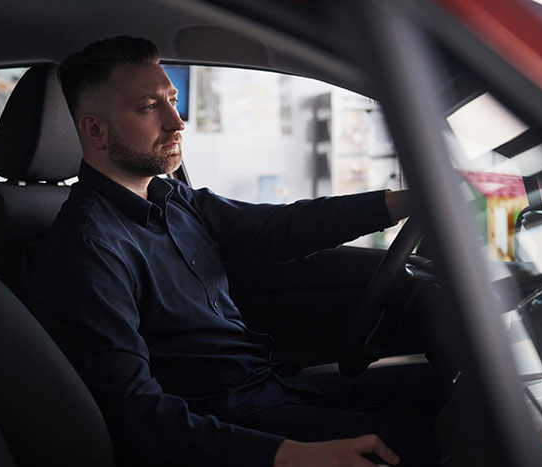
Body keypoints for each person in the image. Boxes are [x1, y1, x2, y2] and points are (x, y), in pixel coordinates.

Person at [25, 35, 442, 467]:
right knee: (447, 444)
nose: (176, 122)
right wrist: (287, 456)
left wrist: (400, 202)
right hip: (229, 427)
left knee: (454, 397)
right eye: (149, 107)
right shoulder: (89, 249)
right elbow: (135, 412)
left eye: (173, 100)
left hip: (271, 390)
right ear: (95, 130)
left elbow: (281, 227)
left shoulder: (173, 198)